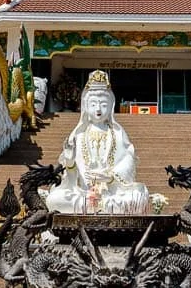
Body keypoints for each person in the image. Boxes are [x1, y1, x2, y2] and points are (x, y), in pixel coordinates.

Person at [45, 70, 150, 214]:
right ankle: (97, 206)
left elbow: (128, 161)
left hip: (113, 192)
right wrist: (69, 162)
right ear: (85, 106)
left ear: (111, 106)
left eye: (103, 105)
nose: (98, 110)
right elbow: (69, 176)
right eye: (93, 104)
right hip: (83, 192)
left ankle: (97, 206)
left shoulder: (118, 133)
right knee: (54, 199)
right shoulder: (78, 134)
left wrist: (111, 177)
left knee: (138, 196)